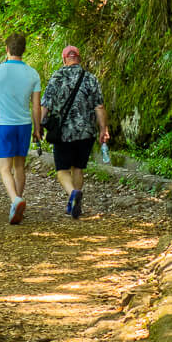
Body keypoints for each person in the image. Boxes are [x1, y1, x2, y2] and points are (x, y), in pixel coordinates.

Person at [0, 32, 42, 224]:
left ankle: (15, 200)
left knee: (5, 168)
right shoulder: (32, 74)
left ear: (7, 49)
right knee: (19, 166)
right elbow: (36, 106)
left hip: (4, 125)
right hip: (24, 125)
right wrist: (37, 129)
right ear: (24, 50)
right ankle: (17, 202)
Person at [41, 44, 110, 219]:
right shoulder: (90, 78)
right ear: (78, 58)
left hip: (63, 133)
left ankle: (73, 194)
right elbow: (99, 106)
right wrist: (104, 130)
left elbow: (46, 104)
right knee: (78, 168)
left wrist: (39, 125)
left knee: (62, 170)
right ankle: (75, 202)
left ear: (64, 59)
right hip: (86, 133)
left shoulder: (57, 77)